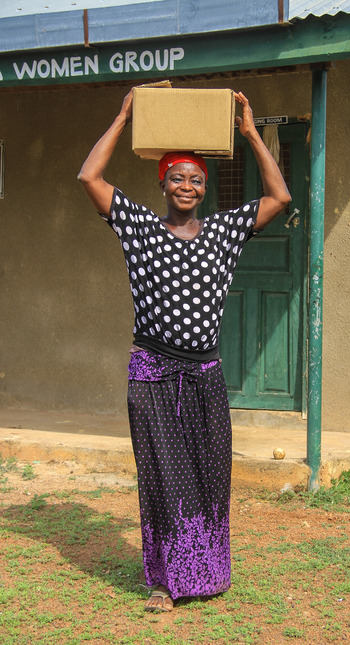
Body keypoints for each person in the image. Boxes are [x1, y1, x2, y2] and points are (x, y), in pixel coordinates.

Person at [78, 89, 291, 612]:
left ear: (205, 185)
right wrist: (126, 117)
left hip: (205, 375)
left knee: (212, 475)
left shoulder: (223, 231)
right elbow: (90, 178)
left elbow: (281, 198)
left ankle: (207, 572)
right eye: (178, 177)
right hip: (152, 373)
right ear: (163, 183)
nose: (188, 186)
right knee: (165, 478)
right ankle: (166, 583)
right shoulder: (141, 230)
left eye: (196, 178)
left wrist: (249, 133)